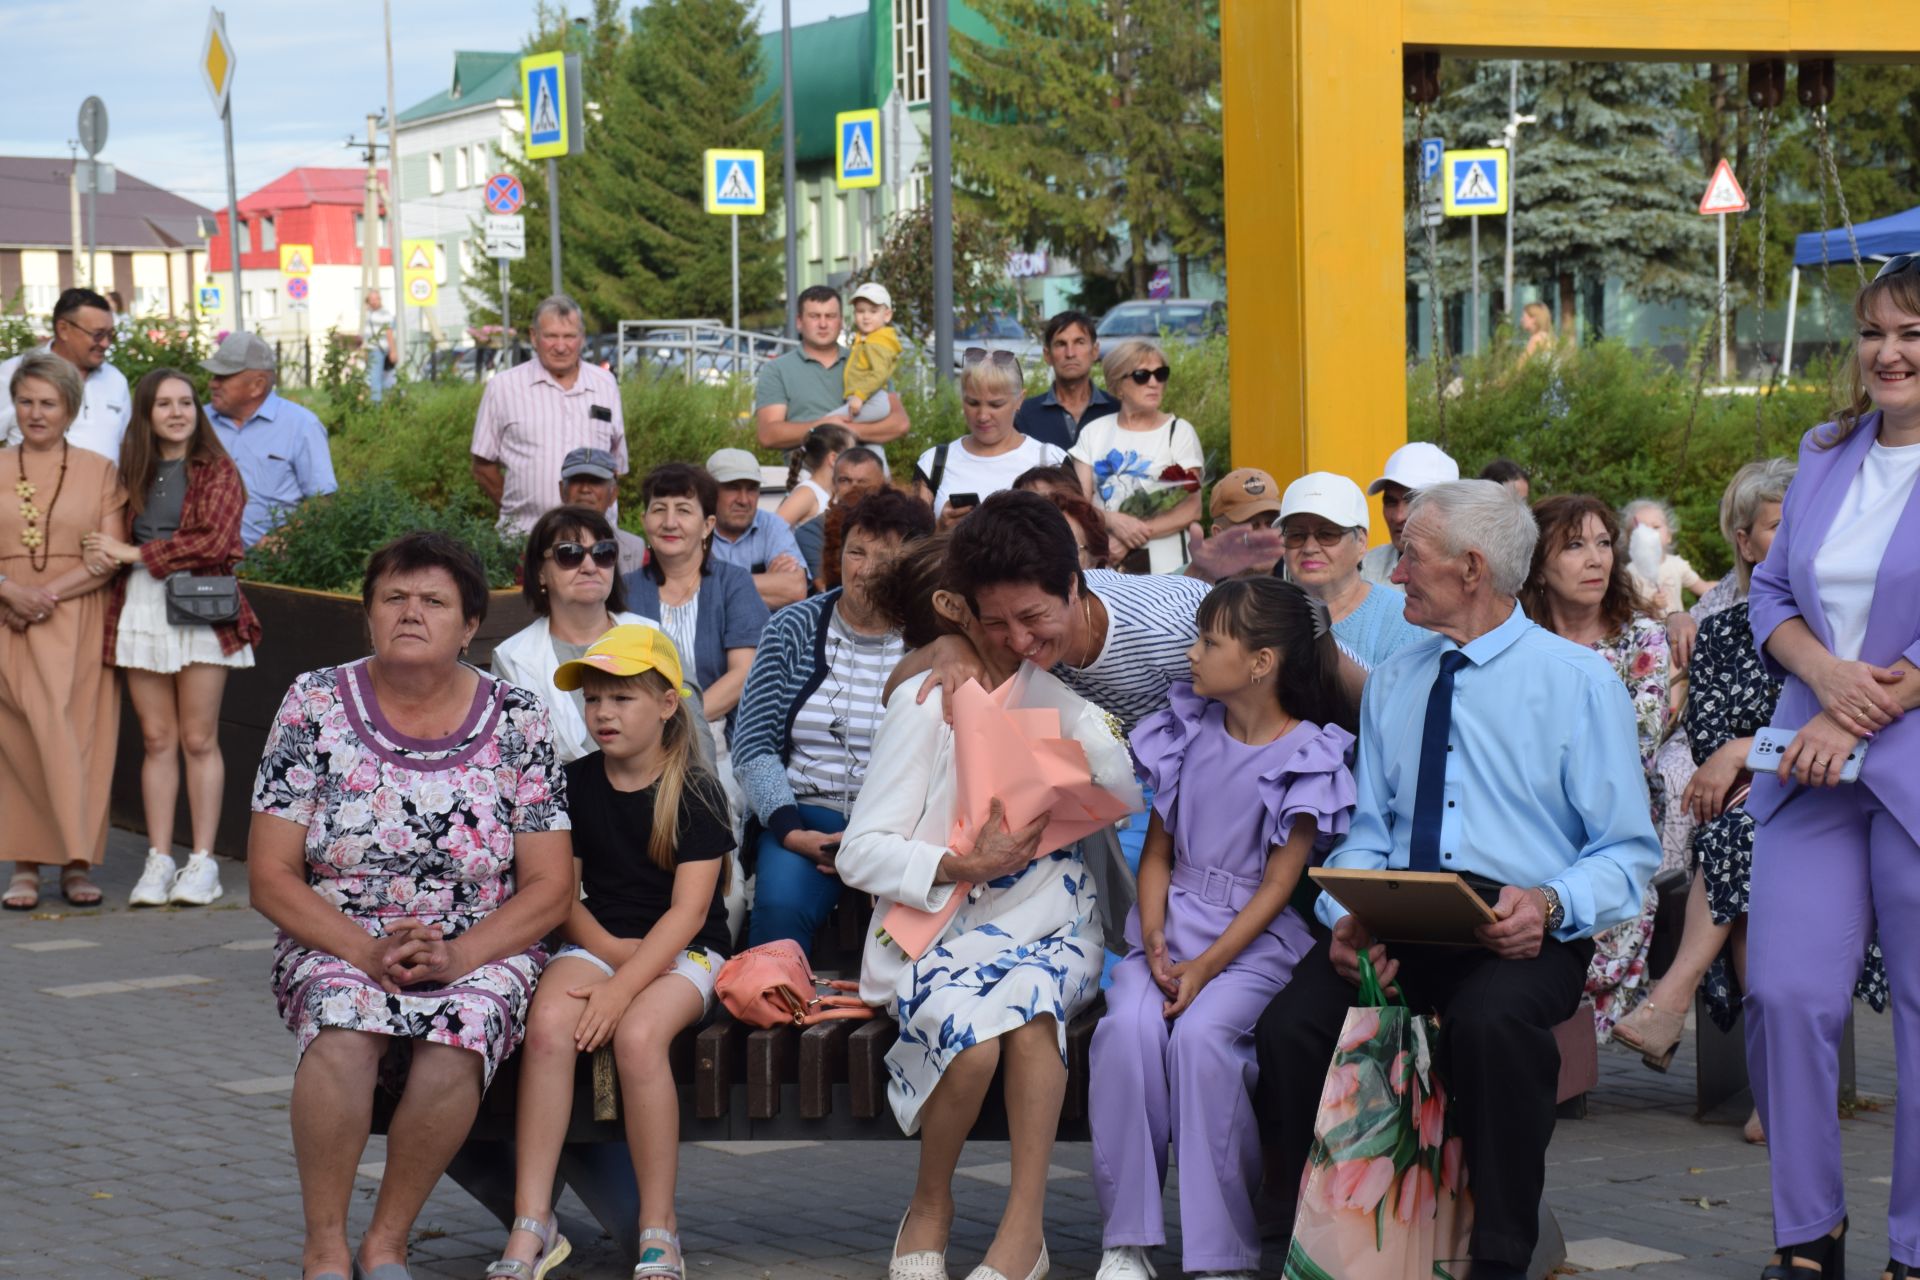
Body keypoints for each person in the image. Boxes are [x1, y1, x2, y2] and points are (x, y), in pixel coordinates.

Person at [1253, 480, 1659, 1280]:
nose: (1395, 573)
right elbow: (1370, 833)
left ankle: (1500, 1256)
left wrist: (1547, 903)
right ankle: (1311, 1241)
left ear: (1472, 569)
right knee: (1292, 1028)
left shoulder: (1578, 682)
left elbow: (1626, 855)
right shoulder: (1399, 680)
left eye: (1411, 556)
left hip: (1523, 930)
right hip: (1402, 917)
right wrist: (1347, 911)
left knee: (1491, 1027)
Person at [245, 532, 574, 1280]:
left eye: (434, 601)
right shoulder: (314, 702)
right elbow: (269, 874)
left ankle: (387, 1240)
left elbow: (552, 885)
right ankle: (324, 1244)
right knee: (344, 1025)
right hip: (338, 937)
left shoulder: (521, 718)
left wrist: (460, 955)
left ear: (469, 626)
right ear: (368, 616)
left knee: (461, 1027)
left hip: (481, 943)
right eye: (394, 597)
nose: (411, 613)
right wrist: (360, 952)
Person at [837, 514, 1135, 1280]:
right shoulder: (928, 700)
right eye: (994, 622)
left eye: (1030, 621)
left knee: (1034, 1011)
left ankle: (1023, 1231)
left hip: (1052, 920)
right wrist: (959, 863)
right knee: (971, 1043)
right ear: (959, 611)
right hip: (938, 923)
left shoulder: (1060, 700)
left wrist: (1098, 758)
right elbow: (860, 851)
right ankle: (931, 1201)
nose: (1017, 640)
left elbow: (1128, 787)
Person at [1090, 577, 1357, 1280]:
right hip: (1169, 929)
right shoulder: (1186, 731)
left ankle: (1221, 1252)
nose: (1192, 654)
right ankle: (1128, 1239)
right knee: (1125, 1032)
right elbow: (1156, 854)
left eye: (1210, 641)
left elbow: (1278, 887)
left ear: (1261, 662)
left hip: (1250, 947)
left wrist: (1206, 967)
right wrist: (1151, 936)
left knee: (1206, 1042)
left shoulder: (1309, 753)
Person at [1741, 261, 1920, 1280]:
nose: (1889, 351)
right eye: (1874, 331)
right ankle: (1810, 1234)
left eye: (1914, 332)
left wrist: (1882, 697)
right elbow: (1771, 590)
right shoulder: (1824, 450)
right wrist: (1823, 676)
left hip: (1909, 759)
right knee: (1785, 990)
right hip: (1811, 759)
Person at [488, 624, 733, 1280]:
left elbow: (690, 913)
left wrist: (626, 988)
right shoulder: (572, 783)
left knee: (639, 1037)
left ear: (665, 704)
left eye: (621, 699)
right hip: (599, 937)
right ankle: (532, 1221)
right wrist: (607, 956)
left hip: (687, 953)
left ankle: (659, 1226)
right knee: (546, 1029)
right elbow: (558, 894)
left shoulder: (698, 790)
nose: (602, 713)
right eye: (593, 699)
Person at [86, 368, 260, 908]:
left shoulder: (217, 468)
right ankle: (159, 859)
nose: (178, 412)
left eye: (186, 402)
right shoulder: (130, 471)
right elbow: (107, 537)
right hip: (141, 606)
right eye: (164, 404)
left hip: (200, 605)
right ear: (147, 413)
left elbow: (215, 541)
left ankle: (202, 861)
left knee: (198, 738)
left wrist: (134, 555)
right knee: (157, 739)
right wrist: (103, 551)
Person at [733, 489, 935, 948]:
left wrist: (891, 840)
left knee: (913, 935)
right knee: (779, 912)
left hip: (903, 825)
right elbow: (753, 744)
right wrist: (791, 830)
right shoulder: (792, 627)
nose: (865, 569)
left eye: (885, 557)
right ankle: (776, 1014)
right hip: (805, 815)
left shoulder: (933, 637)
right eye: (856, 552)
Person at [1518, 495, 1670, 1040]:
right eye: (1575, 545)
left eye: (1604, 543)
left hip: (1610, 830)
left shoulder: (1642, 638)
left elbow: (1638, 745)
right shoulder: (1517, 642)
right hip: (1525, 825)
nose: (1595, 559)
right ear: (1537, 564)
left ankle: (1558, 1050)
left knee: (1611, 901)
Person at [0, 353, 128, 911]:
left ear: (70, 410)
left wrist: (44, 595)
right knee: (18, 743)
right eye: (25, 400)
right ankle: (24, 865)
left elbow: (109, 554)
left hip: (75, 619)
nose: (35, 412)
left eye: (47, 402)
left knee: (80, 741)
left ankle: (76, 864)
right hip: (7, 617)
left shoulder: (100, 469)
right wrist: (10, 591)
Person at [491, 505, 662, 765]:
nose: (590, 566)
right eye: (570, 554)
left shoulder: (651, 636)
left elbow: (691, 737)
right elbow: (514, 762)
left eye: (603, 553)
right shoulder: (511, 658)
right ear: (540, 572)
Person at [623, 464, 769, 727]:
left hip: (715, 737)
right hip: (639, 736)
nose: (669, 522)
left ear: (707, 525)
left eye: (683, 510)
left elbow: (743, 673)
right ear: (645, 521)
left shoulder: (733, 583)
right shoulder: (625, 590)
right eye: (659, 509)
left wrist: (680, 722)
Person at [470, 295, 628, 536]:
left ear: (582, 338)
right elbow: (482, 465)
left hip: (596, 540)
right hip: (525, 537)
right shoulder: (503, 387)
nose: (561, 346)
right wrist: (517, 512)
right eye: (551, 336)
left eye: (569, 336)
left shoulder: (605, 384)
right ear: (534, 336)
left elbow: (617, 464)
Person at [1069, 339, 1203, 575]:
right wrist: (1111, 521)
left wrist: (1132, 534)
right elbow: (1078, 503)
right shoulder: (1093, 432)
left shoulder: (1178, 432)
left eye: (1161, 374)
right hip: (1106, 560)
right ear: (1118, 385)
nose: (1154, 383)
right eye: (1142, 375)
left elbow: (1192, 508)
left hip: (1168, 567)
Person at [1278, 471, 1424, 675]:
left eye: (1327, 534)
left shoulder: (1403, 621)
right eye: (1296, 535)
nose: (1309, 548)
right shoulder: (1268, 616)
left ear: (1361, 542)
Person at [202, 331, 339, 548]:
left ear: (257, 385)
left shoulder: (300, 426)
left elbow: (322, 501)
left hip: (268, 569)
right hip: (202, 566)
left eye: (223, 377)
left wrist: (282, 537)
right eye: (213, 376)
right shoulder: (199, 422)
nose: (212, 384)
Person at [914, 350, 1066, 525]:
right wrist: (940, 531)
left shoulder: (1052, 461)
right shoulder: (933, 463)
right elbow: (911, 545)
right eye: (973, 403)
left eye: (995, 404)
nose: (983, 416)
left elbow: (1077, 539)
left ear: (1019, 400)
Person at [755, 285, 910, 450]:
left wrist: (842, 430)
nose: (823, 324)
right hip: (809, 471)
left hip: (862, 469)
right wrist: (821, 425)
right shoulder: (777, 369)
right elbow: (768, 435)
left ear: (841, 321)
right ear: (799, 322)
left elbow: (899, 423)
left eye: (830, 316)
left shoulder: (866, 360)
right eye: (815, 316)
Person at [0, 287, 132, 462]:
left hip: (105, 488)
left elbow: (126, 448)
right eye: (98, 335)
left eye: (110, 334)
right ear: (63, 329)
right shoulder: (14, 373)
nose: (106, 343)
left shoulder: (115, 380)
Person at [703, 448, 808, 609]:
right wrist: (768, 580)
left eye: (752, 488)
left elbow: (796, 589)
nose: (744, 500)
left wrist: (715, 588)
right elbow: (684, 589)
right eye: (732, 487)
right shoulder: (693, 527)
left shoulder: (772, 525)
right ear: (709, 490)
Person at [1014, 310, 1119, 451]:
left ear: (1095, 351)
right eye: (1061, 344)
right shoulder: (1024, 415)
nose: (1070, 353)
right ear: (1047, 355)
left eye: (1079, 342)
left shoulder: (1117, 411)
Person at [1360, 440, 1459, 586]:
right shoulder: (1369, 566)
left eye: (1413, 501)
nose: (1399, 516)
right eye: (1390, 502)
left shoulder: (1470, 573)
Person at [777, 423, 856, 581]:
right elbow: (774, 528)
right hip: (813, 583)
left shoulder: (832, 494)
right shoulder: (807, 493)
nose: (856, 461)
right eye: (852, 455)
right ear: (833, 459)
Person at [557, 446, 648, 577]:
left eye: (595, 481)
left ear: (613, 494)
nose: (585, 489)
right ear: (562, 491)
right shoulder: (541, 544)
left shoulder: (634, 549)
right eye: (577, 480)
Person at [1623, 497, 1718, 615]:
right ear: (1631, 540)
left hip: (1679, 630)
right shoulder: (1631, 572)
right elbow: (1626, 608)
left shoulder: (1677, 565)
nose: (1650, 533)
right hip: (1648, 631)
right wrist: (1651, 604)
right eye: (1642, 528)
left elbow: (1704, 588)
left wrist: (1735, 583)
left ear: (1668, 536)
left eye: (1656, 527)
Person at [836, 282, 904, 423]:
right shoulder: (868, 338)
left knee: (829, 423)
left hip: (871, 399)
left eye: (873, 311)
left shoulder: (878, 342)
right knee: (867, 444)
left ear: (887, 315)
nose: (866, 316)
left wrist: (860, 396)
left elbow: (879, 373)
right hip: (867, 398)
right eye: (861, 311)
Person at [363, 289, 398, 404]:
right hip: (372, 350)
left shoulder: (385, 314)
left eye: (375, 299)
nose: (373, 302)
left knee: (375, 379)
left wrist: (393, 351)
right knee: (385, 379)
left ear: (380, 300)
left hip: (380, 350)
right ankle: (394, 401)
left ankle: (376, 408)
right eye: (371, 299)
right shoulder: (369, 313)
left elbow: (389, 333)